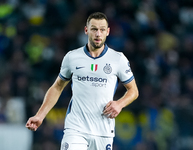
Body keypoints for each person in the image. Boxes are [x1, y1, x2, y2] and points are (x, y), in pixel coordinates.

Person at [26, 12, 139, 150]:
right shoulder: (72, 57)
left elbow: (133, 91)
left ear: (108, 32)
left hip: (103, 131)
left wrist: (120, 104)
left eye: (102, 30)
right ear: (86, 30)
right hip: (75, 129)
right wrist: (40, 116)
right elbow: (57, 87)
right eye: (94, 29)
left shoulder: (118, 59)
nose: (98, 34)